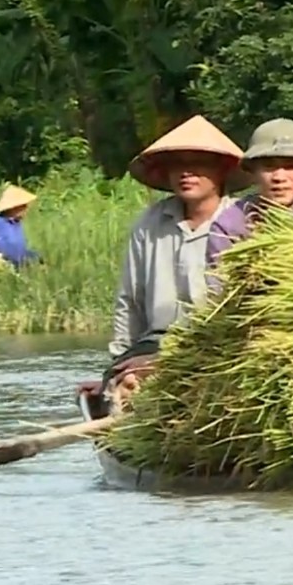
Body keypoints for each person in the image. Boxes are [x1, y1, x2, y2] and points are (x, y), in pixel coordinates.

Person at [83, 115, 244, 405]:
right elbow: (129, 299)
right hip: (157, 343)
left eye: (198, 164)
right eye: (178, 165)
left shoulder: (241, 222)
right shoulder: (149, 223)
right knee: (127, 383)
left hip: (216, 344)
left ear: (221, 170)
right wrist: (120, 360)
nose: (186, 173)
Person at [205, 118, 293, 280]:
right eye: (269, 166)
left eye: (290, 166)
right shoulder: (230, 228)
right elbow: (220, 290)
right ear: (253, 172)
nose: (279, 177)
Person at [0, 184, 41, 268]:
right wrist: (31, 260)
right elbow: (6, 252)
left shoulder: (15, 224)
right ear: (13, 207)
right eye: (23, 206)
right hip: (3, 266)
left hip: (17, 262)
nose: (26, 209)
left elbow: (20, 249)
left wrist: (37, 257)